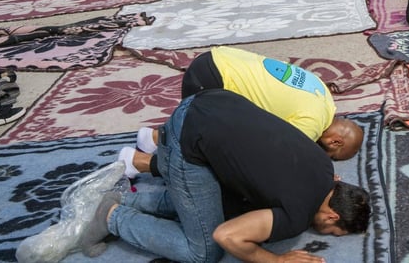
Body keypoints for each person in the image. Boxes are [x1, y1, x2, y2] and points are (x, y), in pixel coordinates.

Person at [78, 89, 371, 262]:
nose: (328, 234)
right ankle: (113, 217)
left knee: (229, 208)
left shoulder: (323, 165)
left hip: (211, 99)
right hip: (187, 137)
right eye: (335, 232)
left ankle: (133, 202)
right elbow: (227, 236)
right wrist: (275, 260)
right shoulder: (297, 214)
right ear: (333, 216)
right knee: (204, 251)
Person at [120, 45, 363, 172]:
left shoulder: (325, 97)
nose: (323, 153)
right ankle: (137, 162)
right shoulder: (310, 125)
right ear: (335, 142)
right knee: (206, 155)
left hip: (218, 58)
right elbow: (275, 155)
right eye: (330, 156)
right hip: (213, 80)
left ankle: (151, 138)